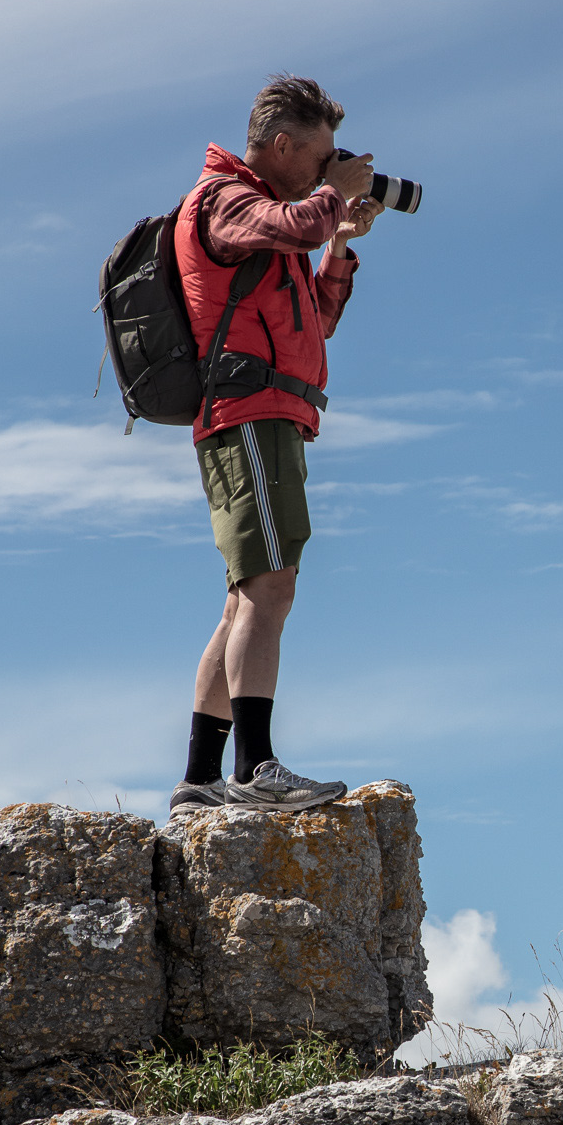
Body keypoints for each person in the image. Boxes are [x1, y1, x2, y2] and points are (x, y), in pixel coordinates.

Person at [168, 74, 380, 815]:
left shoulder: (274, 215)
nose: (327, 171)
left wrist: (342, 246)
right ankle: (256, 768)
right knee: (270, 586)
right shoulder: (226, 201)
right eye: (320, 158)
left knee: (242, 601)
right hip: (248, 413)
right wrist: (330, 202)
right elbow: (293, 226)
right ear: (282, 144)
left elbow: (316, 323)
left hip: (270, 414)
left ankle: (199, 780)